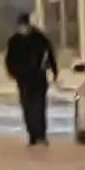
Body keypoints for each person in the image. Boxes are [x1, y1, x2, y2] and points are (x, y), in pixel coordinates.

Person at [4, 13, 55, 146]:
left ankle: (41, 134)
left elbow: (49, 54)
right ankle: (32, 134)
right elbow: (9, 59)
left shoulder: (39, 38)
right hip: (23, 79)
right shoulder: (14, 41)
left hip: (39, 78)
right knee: (27, 107)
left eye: (24, 25)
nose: (23, 28)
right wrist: (13, 73)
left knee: (39, 107)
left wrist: (53, 70)